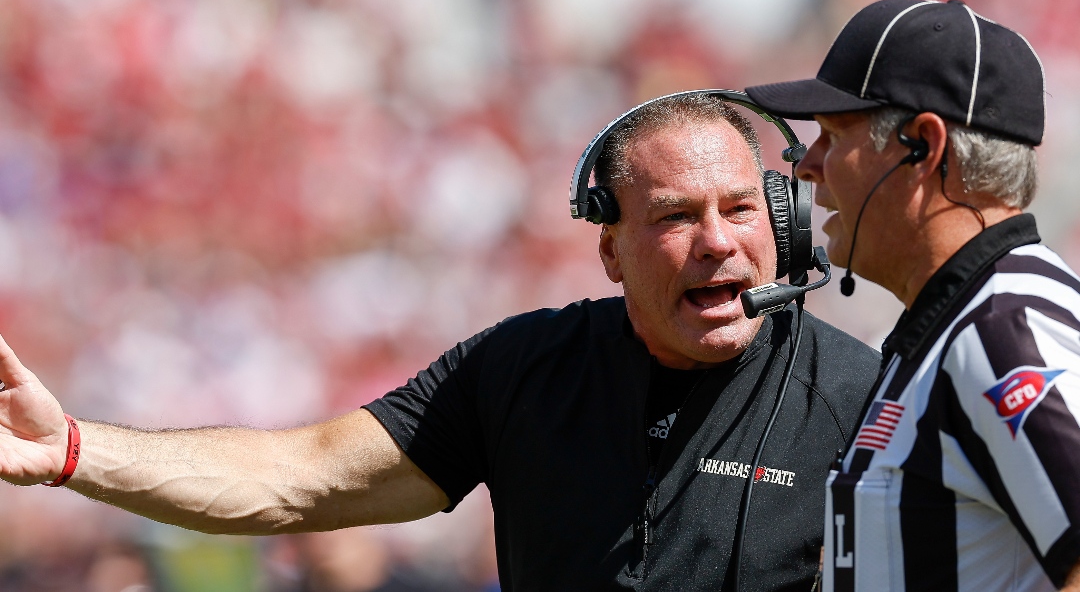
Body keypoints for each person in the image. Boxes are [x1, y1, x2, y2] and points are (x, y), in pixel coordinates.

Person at [0, 93, 880, 590]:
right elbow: (300, 480)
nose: (720, 242)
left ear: (788, 225)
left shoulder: (865, 400)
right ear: (610, 248)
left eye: (740, 210)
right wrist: (73, 449)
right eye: (676, 217)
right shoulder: (524, 368)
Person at [746, 0, 1080, 592]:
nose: (807, 166)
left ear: (923, 146)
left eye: (831, 134)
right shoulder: (959, 322)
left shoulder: (1002, 329)